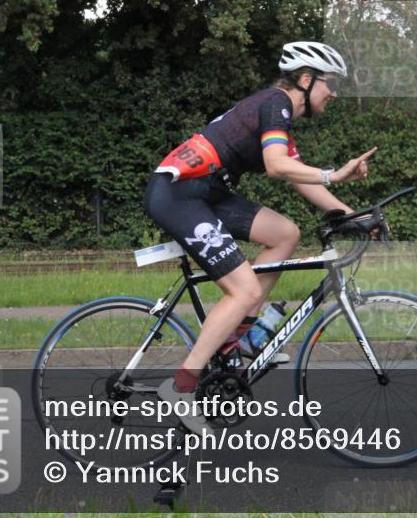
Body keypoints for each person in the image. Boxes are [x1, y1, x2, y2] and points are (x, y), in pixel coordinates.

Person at [143, 41, 377, 433]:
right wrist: (333, 174)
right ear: (305, 80)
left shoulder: (277, 116)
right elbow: (276, 166)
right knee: (246, 290)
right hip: (180, 195)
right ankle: (181, 386)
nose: (333, 93)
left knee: (285, 233)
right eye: (329, 83)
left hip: (208, 193)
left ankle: (239, 340)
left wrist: (353, 215)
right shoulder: (276, 102)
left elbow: (296, 174)